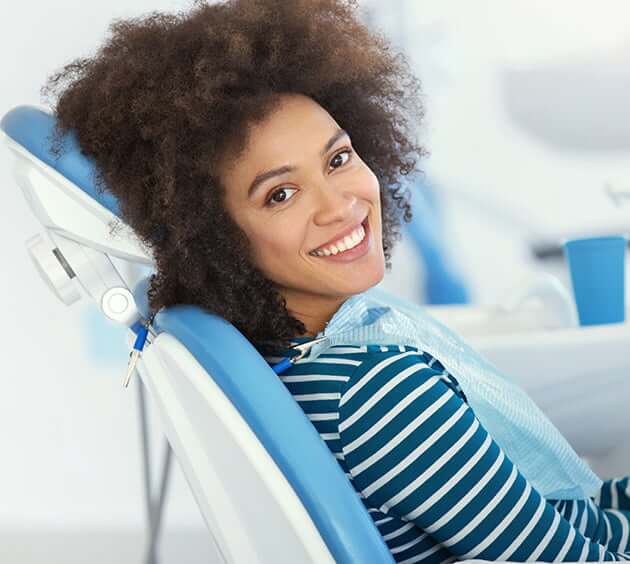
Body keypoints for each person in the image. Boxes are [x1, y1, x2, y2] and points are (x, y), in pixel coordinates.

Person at [42, 0, 630, 561]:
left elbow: (569, 523)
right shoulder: (381, 393)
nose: (340, 205)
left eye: (338, 158)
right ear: (212, 237)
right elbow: (573, 557)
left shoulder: (314, 368)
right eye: (281, 194)